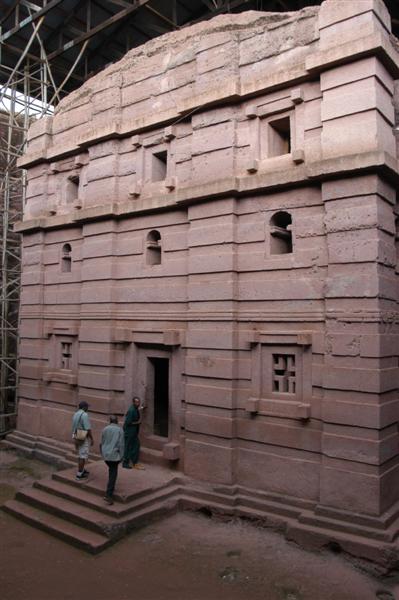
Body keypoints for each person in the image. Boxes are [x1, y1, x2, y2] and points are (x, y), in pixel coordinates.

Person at [100, 415, 124, 505]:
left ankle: (110, 490)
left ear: (110, 421)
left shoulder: (105, 429)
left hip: (106, 454)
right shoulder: (119, 430)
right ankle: (108, 494)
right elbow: (121, 444)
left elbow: (101, 442)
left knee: (111, 471)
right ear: (117, 421)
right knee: (113, 473)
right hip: (114, 455)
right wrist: (122, 456)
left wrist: (102, 453)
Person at [71, 401, 93, 481]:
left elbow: (73, 426)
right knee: (82, 456)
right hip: (82, 437)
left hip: (76, 435)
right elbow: (88, 428)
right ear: (84, 407)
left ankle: (82, 470)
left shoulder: (75, 414)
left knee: (80, 454)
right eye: (87, 407)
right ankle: (79, 474)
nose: (88, 408)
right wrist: (92, 438)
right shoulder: (84, 415)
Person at [122, 396, 145, 470]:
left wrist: (142, 408)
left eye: (139, 402)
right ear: (133, 402)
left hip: (133, 432)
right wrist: (137, 422)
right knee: (128, 447)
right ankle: (125, 463)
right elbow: (128, 422)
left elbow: (137, 409)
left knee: (136, 445)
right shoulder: (131, 410)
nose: (138, 403)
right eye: (137, 402)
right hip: (129, 432)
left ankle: (134, 462)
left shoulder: (135, 408)